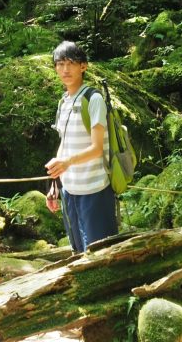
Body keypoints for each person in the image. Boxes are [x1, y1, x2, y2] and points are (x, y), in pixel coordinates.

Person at [45, 41, 118, 253]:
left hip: (94, 190)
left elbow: (96, 148)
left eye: (71, 63)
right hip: (69, 191)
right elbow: (64, 143)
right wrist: (55, 183)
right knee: (78, 252)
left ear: (83, 66)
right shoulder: (64, 101)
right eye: (60, 64)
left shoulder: (93, 99)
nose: (65, 69)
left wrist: (67, 162)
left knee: (101, 254)